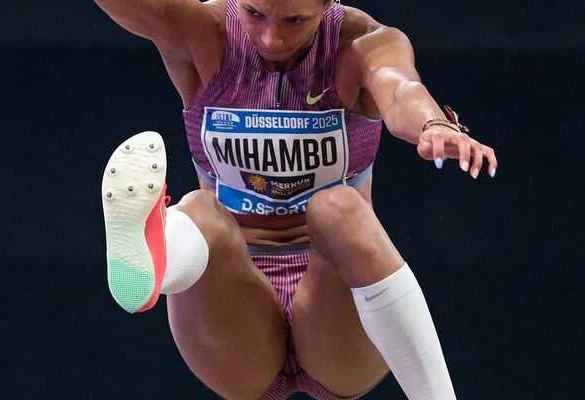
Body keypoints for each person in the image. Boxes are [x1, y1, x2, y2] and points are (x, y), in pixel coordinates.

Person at [95, 0, 498, 398]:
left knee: (337, 207)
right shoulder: (204, 33)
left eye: (294, 20)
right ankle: (155, 260)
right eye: (254, 14)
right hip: (233, 306)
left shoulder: (362, 43)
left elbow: (400, 88)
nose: (271, 38)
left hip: (338, 307)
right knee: (202, 210)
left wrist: (433, 124)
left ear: (327, 5)